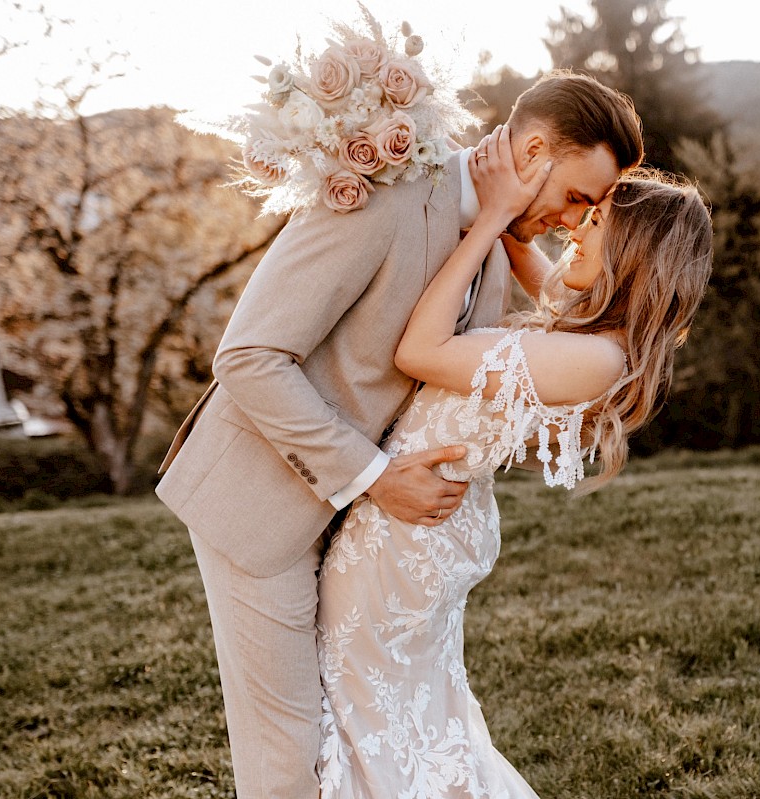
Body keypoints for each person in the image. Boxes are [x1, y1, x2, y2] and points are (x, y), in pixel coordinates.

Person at [155, 68, 644, 797]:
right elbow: (249, 357)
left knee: (341, 747)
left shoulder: (492, 243)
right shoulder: (385, 196)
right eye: (576, 197)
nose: (575, 222)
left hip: (359, 533)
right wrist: (377, 478)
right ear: (533, 150)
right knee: (290, 759)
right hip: (262, 501)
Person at [315, 126, 713, 796]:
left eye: (594, 222)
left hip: (404, 546)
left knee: (379, 725)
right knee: (406, 724)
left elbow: (420, 350)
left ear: (634, 252)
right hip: (420, 530)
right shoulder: (595, 338)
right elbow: (548, 276)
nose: (574, 232)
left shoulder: (591, 357)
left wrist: (494, 217)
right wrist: (512, 201)